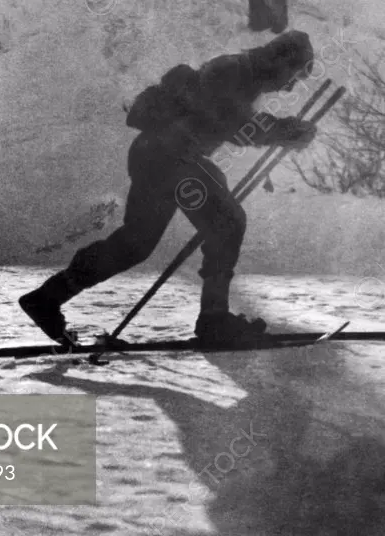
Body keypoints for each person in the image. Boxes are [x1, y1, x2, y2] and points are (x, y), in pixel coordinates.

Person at [20, 30, 317, 346]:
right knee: (227, 223)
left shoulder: (241, 73)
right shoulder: (232, 70)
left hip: (157, 156)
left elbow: (236, 123)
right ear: (280, 59)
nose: (289, 86)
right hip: (171, 159)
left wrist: (284, 132)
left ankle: (47, 298)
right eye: (293, 76)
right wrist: (286, 130)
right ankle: (214, 321)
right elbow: (235, 124)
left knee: (136, 244)